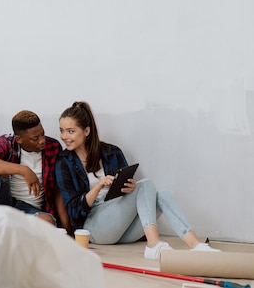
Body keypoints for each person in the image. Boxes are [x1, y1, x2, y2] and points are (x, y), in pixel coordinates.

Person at [55, 101, 220, 260]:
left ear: (86, 131)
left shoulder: (112, 152)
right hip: (94, 227)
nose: (64, 137)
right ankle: (153, 244)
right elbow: (74, 210)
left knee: (162, 194)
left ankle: (195, 244)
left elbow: (131, 193)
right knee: (146, 184)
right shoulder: (64, 162)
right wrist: (98, 186)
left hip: (121, 229)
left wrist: (131, 188)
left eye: (70, 131)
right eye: (62, 131)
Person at [0, 110, 71, 231]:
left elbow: (58, 190)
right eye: (35, 138)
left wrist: (68, 229)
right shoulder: (8, 143)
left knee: (47, 223)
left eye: (42, 134)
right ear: (19, 139)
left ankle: (8, 227)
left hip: (31, 210)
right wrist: (23, 170)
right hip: (5, 202)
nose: (42, 141)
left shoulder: (53, 147)